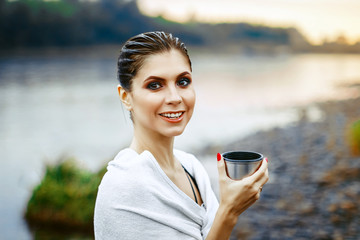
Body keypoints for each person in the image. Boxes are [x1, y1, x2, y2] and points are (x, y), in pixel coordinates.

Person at [94, 31, 269, 240]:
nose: (175, 97)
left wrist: (229, 208)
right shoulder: (123, 186)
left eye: (183, 82)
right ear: (126, 97)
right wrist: (228, 212)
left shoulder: (192, 167)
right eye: (155, 85)